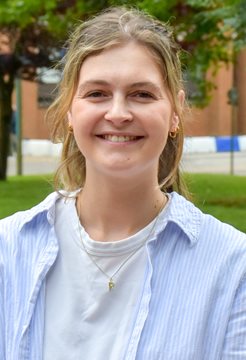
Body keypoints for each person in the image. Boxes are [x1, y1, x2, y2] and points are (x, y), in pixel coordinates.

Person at [0, 7, 246, 360]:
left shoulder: (233, 267)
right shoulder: (8, 253)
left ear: (175, 111)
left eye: (142, 94)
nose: (118, 113)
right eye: (97, 93)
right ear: (70, 110)